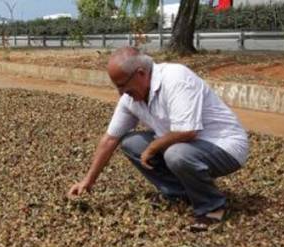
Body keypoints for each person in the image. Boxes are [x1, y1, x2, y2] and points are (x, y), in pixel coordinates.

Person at [67, 47, 249, 232]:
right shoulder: (131, 99)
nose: (121, 93)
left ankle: (212, 206)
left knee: (175, 154)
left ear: (141, 73)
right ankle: (181, 194)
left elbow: (188, 130)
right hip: (186, 145)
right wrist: (88, 181)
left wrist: (154, 147)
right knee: (132, 143)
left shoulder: (176, 78)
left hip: (224, 145)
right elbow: (110, 139)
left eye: (122, 85)